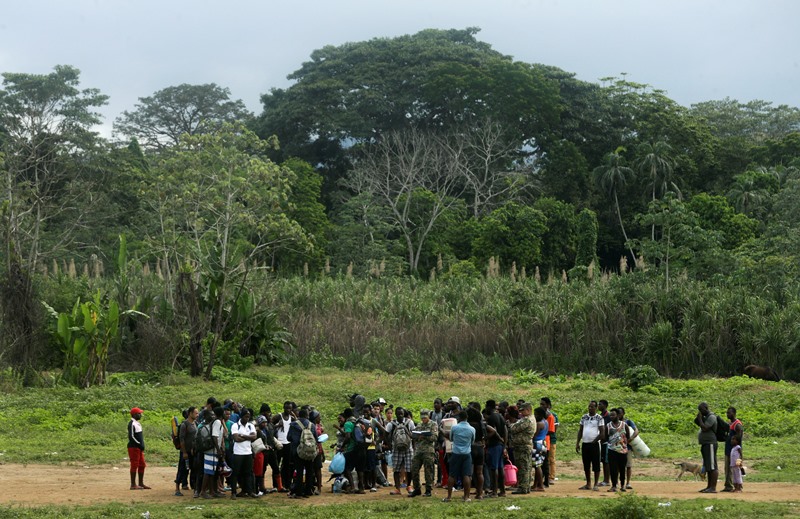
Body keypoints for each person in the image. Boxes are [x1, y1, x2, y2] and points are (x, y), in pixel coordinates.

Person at [443, 410, 475, 503]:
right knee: (466, 475)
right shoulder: (472, 429)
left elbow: (451, 439)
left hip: (456, 453)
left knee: (452, 475)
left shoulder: (455, 427)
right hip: (467, 453)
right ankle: (466, 497)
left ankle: (449, 497)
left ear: (459, 418)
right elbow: (472, 441)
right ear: (467, 418)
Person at [287, 408, 317, 498]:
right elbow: (316, 438)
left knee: (299, 472)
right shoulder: (312, 425)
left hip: (298, 451)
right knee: (309, 471)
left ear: (299, 415)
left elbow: (289, 437)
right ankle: (308, 490)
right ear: (307, 415)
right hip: (309, 451)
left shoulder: (293, 425)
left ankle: (299, 492)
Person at [409, 409, 438, 497]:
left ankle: (428, 489)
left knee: (428, 470)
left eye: (425, 417)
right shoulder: (419, 424)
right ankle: (417, 488)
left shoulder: (433, 424)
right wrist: (415, 436)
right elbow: (414, 436)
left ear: (428, 416)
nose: (423, 419)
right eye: (422, 418)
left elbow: (434, 437)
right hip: (418, 450)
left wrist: (425, 436)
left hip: (428, 450)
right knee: (414, 469)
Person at [230, 408, 258, 499]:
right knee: (236, 473)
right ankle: (233, 492)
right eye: (246, 417)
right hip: (238, 453)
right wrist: (248, 437)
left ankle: (249, 491)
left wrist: (243, 435)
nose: (247, 419)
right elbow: (236, 439)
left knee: (248, 473)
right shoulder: (235, 425)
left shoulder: (250, 426)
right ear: (241, 416)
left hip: (248, 452)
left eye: (248, 417)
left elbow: (254, 437)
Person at [386, 406, 415, 495]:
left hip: (408, 449)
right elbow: (386, 434)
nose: (400, 416)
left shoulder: (409, 422)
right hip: (396, 449)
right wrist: (390, 445)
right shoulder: (391, 424)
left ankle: (409, 485)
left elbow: (414, 434)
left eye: (401, 414)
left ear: (404, 414)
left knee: (409, 468)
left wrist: (414, 447)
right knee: (396, 469)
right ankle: (397, 488)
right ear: (396, 414)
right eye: (398, 414)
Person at [576, 400, 604, 491]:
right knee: (586, 465)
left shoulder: (599, 418)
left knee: (596, 464)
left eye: (592, 407)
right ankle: (588, 483)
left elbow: (602, 433)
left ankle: (596, 484)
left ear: (596, 408)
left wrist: (594, 441)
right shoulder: (584, 417)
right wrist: (577, 442)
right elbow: (580, 430)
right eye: (589, 406)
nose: (590, 408)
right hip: (585, 444)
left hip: (595, 444)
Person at [509, 402, 535, 494]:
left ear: (528, 410)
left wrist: (510, 424)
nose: (520, 412)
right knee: (526, 467)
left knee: (523, 467)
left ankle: (523, 487)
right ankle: (526, 487)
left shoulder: (527, 420)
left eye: (522, 410)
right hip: (524, 445)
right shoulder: (530, 418)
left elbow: (514, 428)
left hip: (522, 446)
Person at [484, 401, 507, 497]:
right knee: (500, 467)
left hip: (494, 445)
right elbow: (505, 431)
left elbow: (494, 431)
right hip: (501, 445)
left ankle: (494, 492)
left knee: (494, 469)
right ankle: (502, 491)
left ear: (489, 407)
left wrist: (486, 438)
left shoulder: (492, 417)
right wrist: (504, 444)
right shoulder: (501, 416)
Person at [695, 402, 719, 493]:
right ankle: (709, 486)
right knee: (708, 466)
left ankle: (713, 488)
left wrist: (700, 419)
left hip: (710, 444)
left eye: (701, 409)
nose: (700, 411)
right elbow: (697, 423)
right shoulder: (706, 417)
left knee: (713, 466)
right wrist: (699, 419)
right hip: (705, 444)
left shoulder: (712, 417)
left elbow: (705, 428)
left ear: (706, 408)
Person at [272, 401, 295, 493]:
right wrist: (277, 425)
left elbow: (298, 423)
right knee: (276, 465)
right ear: (283, 408)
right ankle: (276, 485)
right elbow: (269, 426)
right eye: (286, 408)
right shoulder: (278, 417)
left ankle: (286, 484)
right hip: (279, 443)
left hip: (288, 443)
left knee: (287, 465)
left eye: (290, 408)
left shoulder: (292, 418)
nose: (288, 410)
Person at [605, 408, 630, 492]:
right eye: (610, 415)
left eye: (613, 415)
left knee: (622, 468)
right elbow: (606, 437)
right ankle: (614, 486)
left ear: (618, 415)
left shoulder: (624, 425)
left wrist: (624, 444)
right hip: (612, 450)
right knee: (613, 469)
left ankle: (622, 485)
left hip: (622, 450)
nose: (611, 416)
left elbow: (628, 436)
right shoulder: (608, 426)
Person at [176, 406, 198, 496]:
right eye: (196, 413)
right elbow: (182, 439)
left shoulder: (195, 423)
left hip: (193, 451)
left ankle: (194, 488)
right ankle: (177, 488)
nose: (197, 415)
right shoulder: (184, 425)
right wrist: (184, 452)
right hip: (185, 452)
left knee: (193, 469)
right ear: (190, 413)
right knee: (182, 470)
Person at [127, 407, 151, 490]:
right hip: (134, 448)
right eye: (139, 413)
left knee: (142, 465)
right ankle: (133, 484)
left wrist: (141, 445)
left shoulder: (137, 423)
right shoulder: (132, 423)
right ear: (134, 414)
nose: (140, 415)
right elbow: (131, 436)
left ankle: (141, 483)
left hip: (139, 448)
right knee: (134, 464)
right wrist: (139, 444)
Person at [616, 407, 638, 490]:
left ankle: (628, 483)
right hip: (618, 447)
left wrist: (630, 439)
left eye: (620, 413)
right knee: (618, 466)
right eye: (617, 413)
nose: (619, 415)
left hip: (627, 447)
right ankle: (617, 483)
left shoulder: (628, 422)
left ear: (623, 413)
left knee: (628, 466)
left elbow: (636, 431)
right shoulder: (615, 423)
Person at [723, 407, 744, 492]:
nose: (727, 414)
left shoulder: (737, 425)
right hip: (729, 450)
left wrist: (739, 454)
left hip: (734, 451)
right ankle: (729, 485)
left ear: (734, 413)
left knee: (735, 470)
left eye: (729, 413)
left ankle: (738, 487)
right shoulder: (730, 423)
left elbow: (739, 438)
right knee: (728, 469)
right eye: (727, 413)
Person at [541, 397, 558, 484]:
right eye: (540, 404)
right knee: (544, 459)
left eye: (543, 404)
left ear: (548, 405)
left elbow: (554, 429)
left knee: (551, 459)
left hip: (550, 439)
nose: (541, 406)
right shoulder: (541, 414)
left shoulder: (552, 416)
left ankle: (551, 476)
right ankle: (544, 476)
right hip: (543, 439)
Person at [531, 406, 547, 492]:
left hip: (537, 444)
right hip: (543, 443)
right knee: (538, 464)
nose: (534, 416)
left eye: (536, 414)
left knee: (537, 465)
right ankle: (535, 484)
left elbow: (534, 435)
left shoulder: (539, 423)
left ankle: (540, 485)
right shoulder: (546, 422)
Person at [597, 399, 611, 486]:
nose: (598, 406)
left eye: (600, 404)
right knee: (603, 461)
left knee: (606, 461)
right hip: (602, 441)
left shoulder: (608, 416)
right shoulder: (600, 416)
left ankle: (607, 480)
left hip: (607, 442)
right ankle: (605, 479)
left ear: (605, 406)